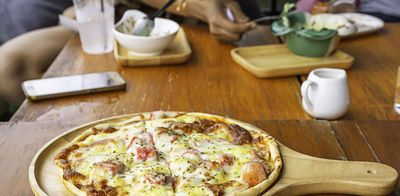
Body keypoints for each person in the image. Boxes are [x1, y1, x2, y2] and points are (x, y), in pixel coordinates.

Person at [0, 0, 259, 115]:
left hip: (200, 32)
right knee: (7, 65)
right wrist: (195, 4)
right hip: (119, 17)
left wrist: (221, 14)